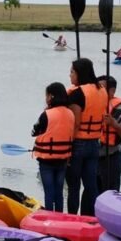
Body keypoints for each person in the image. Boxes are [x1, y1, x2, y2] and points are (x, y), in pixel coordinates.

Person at [66, 58, 107, 216]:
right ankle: (95, 217)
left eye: (72, 72)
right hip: (95, 143)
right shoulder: (101, 90)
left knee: (74, 186)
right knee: (91, 185)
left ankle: (71, 217)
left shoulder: (77, 94)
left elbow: (75, 124)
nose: (70, 76)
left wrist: (67, 148)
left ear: (79, 73)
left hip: (78, 143)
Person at [31, 82, 75, 211]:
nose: (46, 98)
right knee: (59, 192)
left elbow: (35, 131)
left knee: (49, 192)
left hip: (46, 160)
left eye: (47, 95)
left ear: (51, 96)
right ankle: (60, 216)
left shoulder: (47, 114)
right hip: (63, 158)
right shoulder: (70, 113)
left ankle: (49, 217)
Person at [97, 75, 121, 192]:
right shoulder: (93, 106)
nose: (98, 91)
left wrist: (114, 124)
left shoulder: (120, 110)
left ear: (112, 91)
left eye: (101, 88)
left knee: (109, 193)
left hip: (111, 158)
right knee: (91, 194)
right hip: (92, 158)